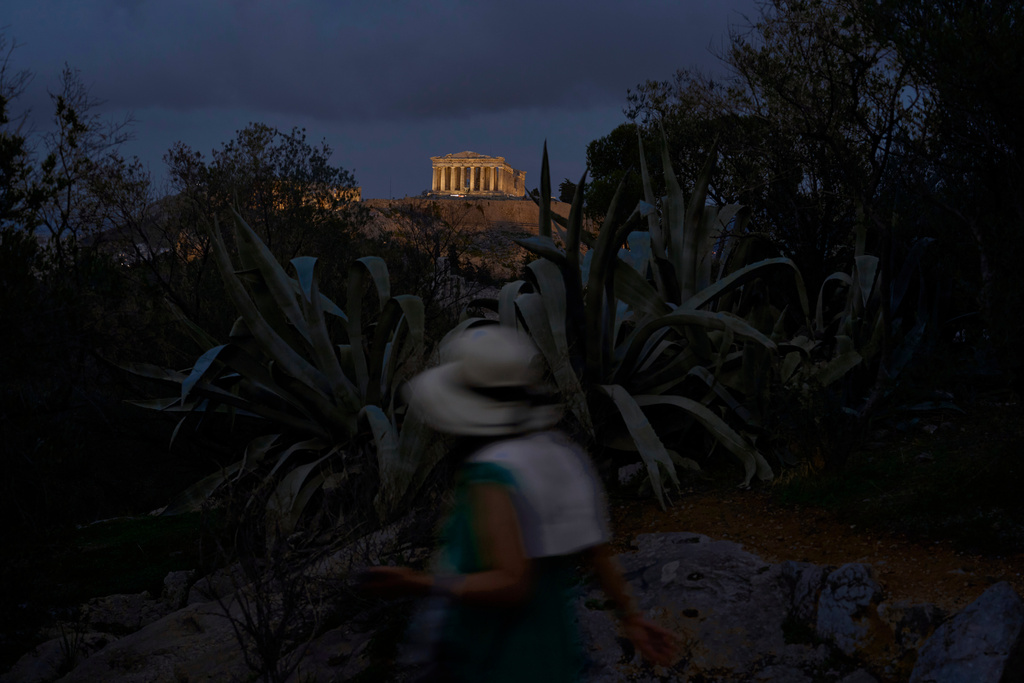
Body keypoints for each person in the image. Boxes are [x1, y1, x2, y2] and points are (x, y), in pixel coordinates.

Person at [361, 325, 676, 682]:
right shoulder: (560, 455)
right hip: (557, 657)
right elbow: (598, 555)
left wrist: (416, 583)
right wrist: (631, 617)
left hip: (499, 660)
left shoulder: (491, 474)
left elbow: (511, 584)